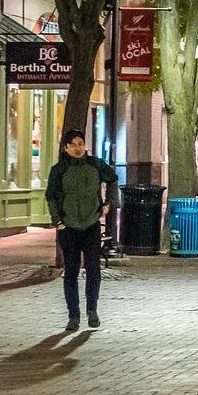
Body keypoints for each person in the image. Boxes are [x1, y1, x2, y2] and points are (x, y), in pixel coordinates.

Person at [45, 128, 119, 331]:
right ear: (65, 148)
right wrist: (57, 220)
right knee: (71, 271)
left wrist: (108, 204)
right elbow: (50, 195)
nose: (77, 148)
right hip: (68, 227)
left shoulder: (95, 165)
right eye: (73, 145)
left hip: (91, 224)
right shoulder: (59, 170)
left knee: (93, 269)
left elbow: (113, 178)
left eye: (80, 144)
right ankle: (73, 316)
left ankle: (92, 311)